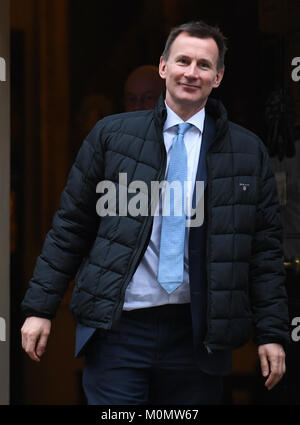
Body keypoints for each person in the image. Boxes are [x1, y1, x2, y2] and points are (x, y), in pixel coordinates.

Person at [21, 20, 289, 405]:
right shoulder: (111, 137)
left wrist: (271, 333)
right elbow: (71, 227)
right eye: (182, 61)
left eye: (203, 65)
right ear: (163, 67)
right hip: (119, 332)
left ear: (219, 76)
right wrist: (39, 309)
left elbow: (263, 252)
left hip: (198, 335)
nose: (191, 73)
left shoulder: (247, 152)